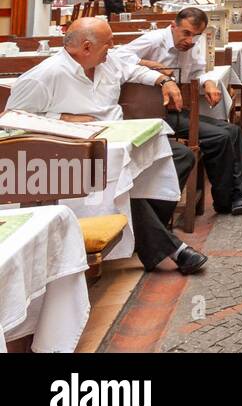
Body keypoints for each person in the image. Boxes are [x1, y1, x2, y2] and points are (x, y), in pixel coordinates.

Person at [6, 19, 208, 274]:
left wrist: (162, 81)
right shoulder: (46, 75)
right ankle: (170, 249)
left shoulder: (107, 62)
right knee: (121, 185)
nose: (112, 47)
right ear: (87, 47)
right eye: (108, 43)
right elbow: (12, 119)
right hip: (75, 155)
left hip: (118, 137)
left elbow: (133, 70)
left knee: (178, 156)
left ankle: (142, 232)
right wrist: (61, 118)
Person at [116, 8, 242, 216]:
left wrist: (209, 83)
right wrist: (149, 65)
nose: (190, 40)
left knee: (232, 130)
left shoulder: (194, 45)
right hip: (150, 113)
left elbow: (198, 72)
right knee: (219, 137)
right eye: (186, 33)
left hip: (176, 110)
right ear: (173, 26)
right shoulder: (154, 40)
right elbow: (117, 57)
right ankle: (227, 200)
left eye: (195, 36)